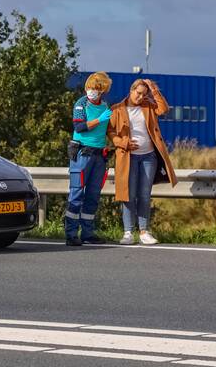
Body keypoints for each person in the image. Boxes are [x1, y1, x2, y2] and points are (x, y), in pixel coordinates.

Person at [107, 79, 178, 245]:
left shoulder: (149, 106)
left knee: (144, 195)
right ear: (131, 90)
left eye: (143, 94)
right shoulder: (117, 109)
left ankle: (144, 231)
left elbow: (164, 109)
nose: (140, 97)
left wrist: (153, 89)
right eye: (138, 93)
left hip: (148, 156)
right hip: (128, 156)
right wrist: (122, 143)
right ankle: (128, 232)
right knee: (128, 194)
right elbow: (110, 131)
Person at [66, 72, 113, 246]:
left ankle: (87, 232)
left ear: (103, 90)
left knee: (93, 196)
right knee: (77, 193)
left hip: (99, 155)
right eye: (89, 87)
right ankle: (71, 233)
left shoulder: (105, 105)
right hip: (82, 154)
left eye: (95, 89)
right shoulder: (81, 104)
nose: (91, 91)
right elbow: (79, 127)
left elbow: (107, 130)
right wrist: (99, 120)